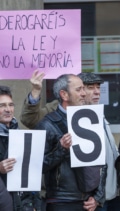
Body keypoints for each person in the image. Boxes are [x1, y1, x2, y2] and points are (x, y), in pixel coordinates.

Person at [35, 74, 105, 211]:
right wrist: (61, 149)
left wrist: (98, 196)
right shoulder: (47, 124)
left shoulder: (91, 119)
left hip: (89, 201)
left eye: (84, 89)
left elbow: (102, 163)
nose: (84, 93)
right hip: (61, 201)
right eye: (79, 90)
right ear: (64, 95)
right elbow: (37, 166)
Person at [77, 73, 120, 211]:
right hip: (97, 199)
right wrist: (95, 196)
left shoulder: (100, 114)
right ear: (80, 91)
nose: (97, 91)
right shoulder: (79, 120)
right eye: (90, 87)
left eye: (98, 87)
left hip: (115, 194)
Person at [0, 85, 40, 210]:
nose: (8, 109)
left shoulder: (19, 134)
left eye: (10, 105)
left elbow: (31, 173)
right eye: (2, 106)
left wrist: (35, 205)